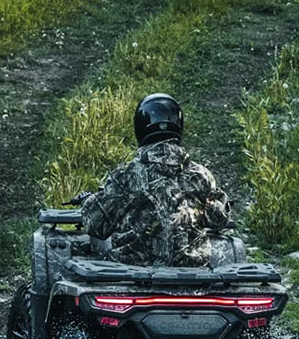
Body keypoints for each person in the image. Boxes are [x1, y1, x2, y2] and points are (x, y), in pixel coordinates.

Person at [81, 94, 233, 266]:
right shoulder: (201, 175)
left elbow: (96, 226)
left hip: (132, 272)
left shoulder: (125, 175)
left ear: (140, 128)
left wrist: (88, 201)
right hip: (193, 274)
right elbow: (219, 220)